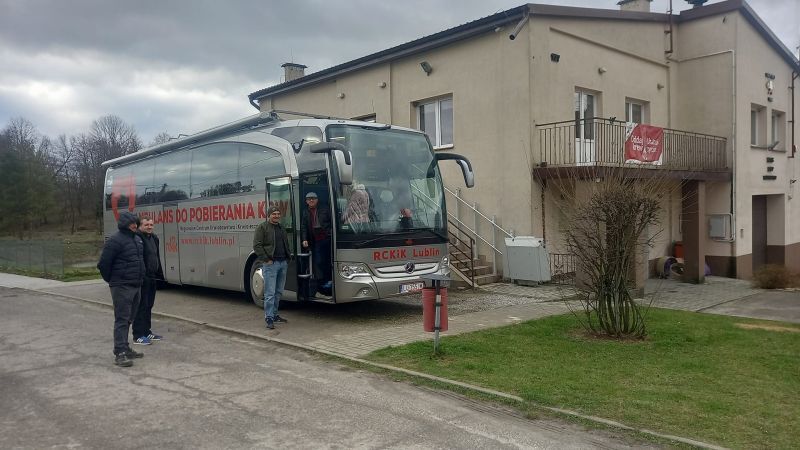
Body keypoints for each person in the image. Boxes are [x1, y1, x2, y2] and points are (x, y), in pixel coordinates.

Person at [97, 211, 146, 367]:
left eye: (136, 222)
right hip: (122, 286)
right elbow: (103, 264)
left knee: (130, 318)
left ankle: (126, 347)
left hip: (136, 285)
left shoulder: (138, 239)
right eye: (131, 223)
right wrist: (112, 280)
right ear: (125, 224)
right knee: (122, 319)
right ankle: (120, 353)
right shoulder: (115, 241)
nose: (134, 225)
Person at [253, 206, 290, 330]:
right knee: (270, 293)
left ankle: (274, 315)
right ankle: (269, 318)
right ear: (269, 215)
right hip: (271, 264)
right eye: (274, 214)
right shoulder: (262, 227)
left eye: (278, 214)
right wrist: (266, 259)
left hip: (282, 263)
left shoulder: (281, 228)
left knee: (278, 292)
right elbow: (257, 245)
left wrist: (287, 258)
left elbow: (285, 244)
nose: (276, 215)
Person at [132, 217, 164, 345]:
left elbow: (156, 257)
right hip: (142, 278)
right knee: (141, 306)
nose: (149, 227)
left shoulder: (154, 238)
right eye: (146, 225)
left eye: (151, 224)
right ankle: (138, 335)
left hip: (152, 277)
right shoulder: (137, 239)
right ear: (140, 226)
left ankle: (147, 331)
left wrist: (160, 273)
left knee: (149, 305)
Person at [301, 191, 332, 292]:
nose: (311, 200)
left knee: (328, 260)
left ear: (317, 200)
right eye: (309, 199)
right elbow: (304, 227)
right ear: (306, 201)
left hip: (327, 238)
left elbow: (332, 221)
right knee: (318, 261)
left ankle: (329, 281)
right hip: (316, 240)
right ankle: (321, 283)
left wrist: (331, 233)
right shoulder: (305, 212)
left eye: (313, 199)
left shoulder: (325, 208)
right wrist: (304, 239)